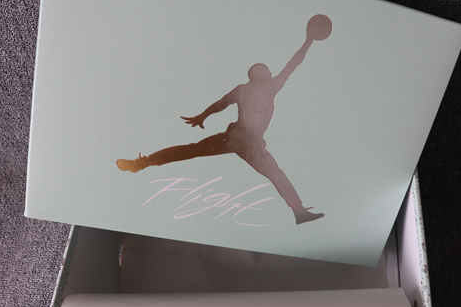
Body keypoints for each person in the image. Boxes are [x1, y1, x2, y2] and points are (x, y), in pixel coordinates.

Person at [117, 19, 329, 225]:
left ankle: (140, 164)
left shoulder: (249, 88)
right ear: (257, 75)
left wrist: (203, 116)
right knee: (275, 174)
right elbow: (292, 64)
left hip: (243, 141)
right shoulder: (263, 87)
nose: (269, 73)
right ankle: (298, 211)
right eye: (265, 71)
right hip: (243, 140)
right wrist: (308, 41)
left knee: (192, 150)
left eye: (268, 71)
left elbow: (221, 103)